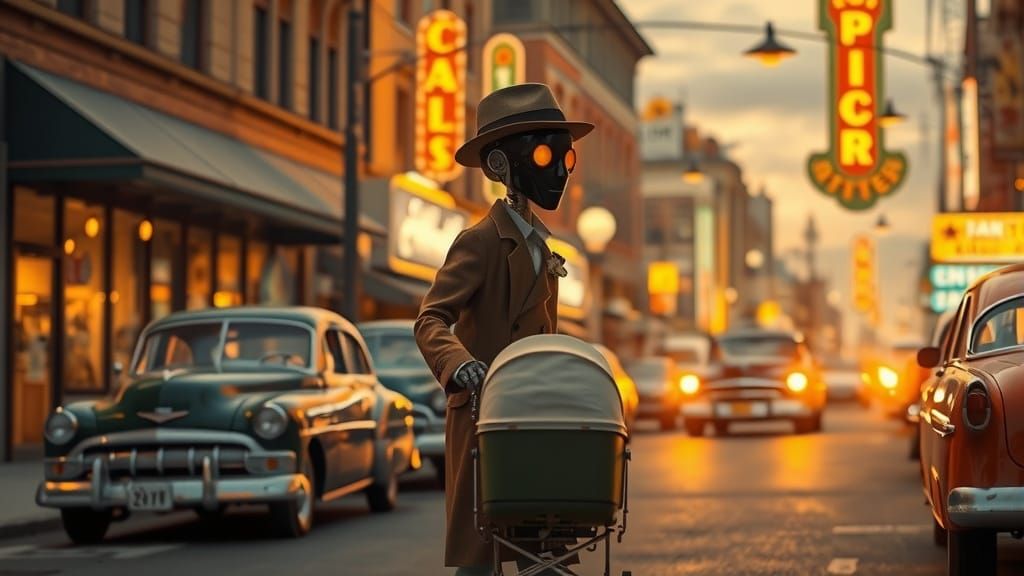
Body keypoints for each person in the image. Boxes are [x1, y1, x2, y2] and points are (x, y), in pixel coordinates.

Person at [415, 83, 593, 575]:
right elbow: (431, 317)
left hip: (534, 406)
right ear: (499, 166)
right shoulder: (480, 242)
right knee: (484, 546)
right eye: (543, 154)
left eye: (566, 158)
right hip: (484, 410)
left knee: (542, 536)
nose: (559, 170)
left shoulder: (541, 243)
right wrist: (459, 364)